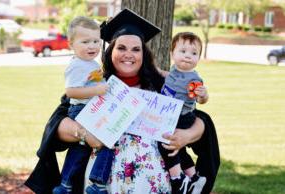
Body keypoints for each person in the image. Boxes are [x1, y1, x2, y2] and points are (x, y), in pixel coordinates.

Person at [25, 8, 220, 194]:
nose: (129, 54)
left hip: (153, 184)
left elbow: (200, 119)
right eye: (121, 48)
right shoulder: (94, 85)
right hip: (100, 184)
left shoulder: (160, 86)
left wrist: (186, 135)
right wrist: (85, 134)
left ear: (143, 54)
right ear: (111, 52)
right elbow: (57, 123)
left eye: (136, 49)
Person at [53, 16, 112, 194]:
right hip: (82, 110)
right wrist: (97, 91)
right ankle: (98, 183)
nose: (92, 46)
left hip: (88, 109)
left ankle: (65, 185)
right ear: (71, 43)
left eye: (96, 41)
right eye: (85, 41)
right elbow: (71, 91)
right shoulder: (77, 65)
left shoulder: (90, 63)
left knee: (79, 150)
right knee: (107, 141)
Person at [158, 32, 208, 194]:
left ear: (198, 58)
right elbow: (168, 77)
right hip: (170, 113)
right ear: (172, 54)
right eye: (183, 51)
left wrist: (203, 95)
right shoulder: (174, 70)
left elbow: (200, 101)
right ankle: (194, 178)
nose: (188, 56)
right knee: (179, 149)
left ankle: (177, 179)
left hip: (182, 117)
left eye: (194, 53)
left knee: (166, 143)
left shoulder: (194, 80)